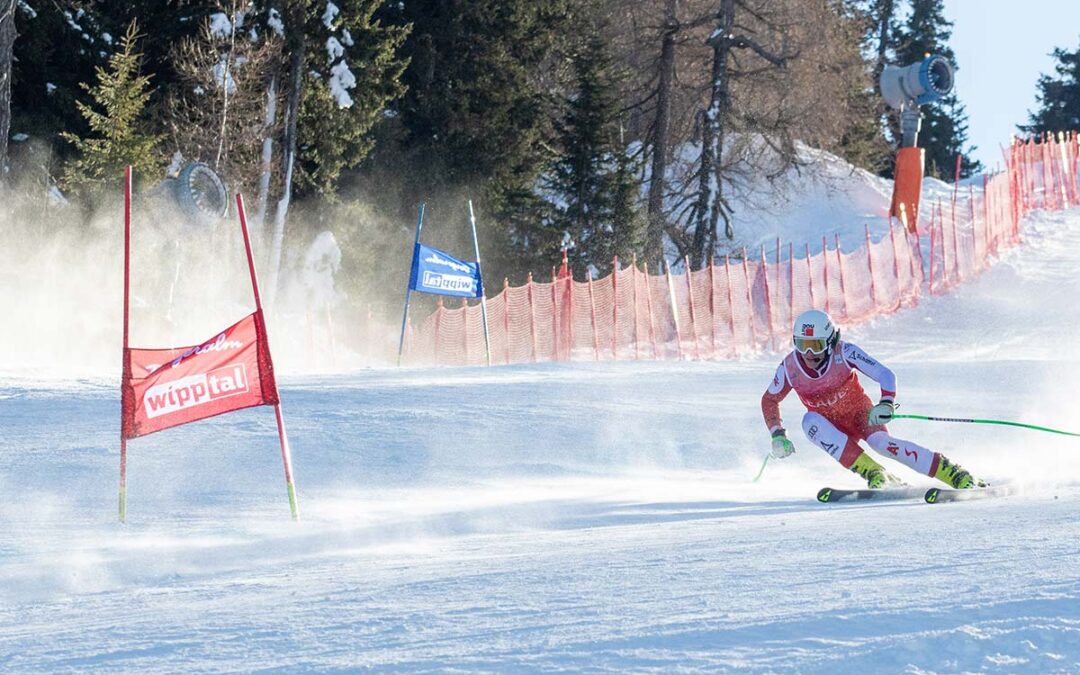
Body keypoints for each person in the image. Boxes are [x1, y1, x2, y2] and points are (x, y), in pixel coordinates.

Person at [761, 308, 983, 489]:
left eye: (816, 346)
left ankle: (952, 472)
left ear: (831, 341)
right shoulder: (790, 368)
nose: (809, 354)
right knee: (809, 422)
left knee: (881, 444)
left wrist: (886, 402)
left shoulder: (845, 352)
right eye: (802, 345)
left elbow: (885, 374)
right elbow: (769, 400)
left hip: (861, 415)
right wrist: (777, 435)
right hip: (828, 424)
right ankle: (875, 473)